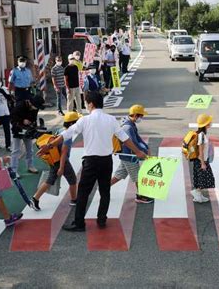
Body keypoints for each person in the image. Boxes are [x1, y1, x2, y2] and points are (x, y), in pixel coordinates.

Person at [37, 92, 147, 231]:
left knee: (83, 192)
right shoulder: (111, 120)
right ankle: (101, 220)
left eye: (87, 103)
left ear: (91, 104)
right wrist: (138, 152)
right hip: (106, 161)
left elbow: (66, 134)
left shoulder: (84, 120)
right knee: (104, 191)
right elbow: (124, 138)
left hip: (90, 161)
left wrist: (49, 146)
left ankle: (79, 223)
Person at [31, 112, 81, 210]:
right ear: (72, 124)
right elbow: (64, 152)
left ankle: (35, 198)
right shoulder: (68, 136)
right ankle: (74, 200)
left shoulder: (60, 130)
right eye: (77, 122)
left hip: (53, 159)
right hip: (61, 161)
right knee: (72, 180)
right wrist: (62, 167)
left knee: (50, 180)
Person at [110, 104, 151, 204]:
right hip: (129, 156)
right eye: (141, 116)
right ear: (136, 115)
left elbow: (138, 138)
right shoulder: (128, 127)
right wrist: (143, 152)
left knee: (119, 175)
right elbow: (133, 142)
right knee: (138, 176)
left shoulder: (130, 123)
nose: (142, 118)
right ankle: (141, 196)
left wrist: (146, 147)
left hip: (126, 155)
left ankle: (104, 187)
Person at [10, 96, 44, 178]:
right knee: (16, 151)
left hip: (28, 129)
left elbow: (34, 118)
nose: (36, 108)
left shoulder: (35, 108)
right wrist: (22, 121)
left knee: (30, 150)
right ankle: (13, 170)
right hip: (17, 129)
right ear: (30, 103)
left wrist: (33, 125)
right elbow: (12, 119)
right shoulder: (20, 106)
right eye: (35, 106)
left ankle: (30, 166)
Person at [190, 114, 215, 203]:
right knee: (204, 178)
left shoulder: (200, 134)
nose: (211, 123)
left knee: (200, 178)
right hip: (201, 160)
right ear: (206, 124)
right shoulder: (202, 135)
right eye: (209, 122)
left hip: (200, 160)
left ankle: (198, 195)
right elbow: (201, 150)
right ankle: (196, 192)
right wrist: (203, 163)